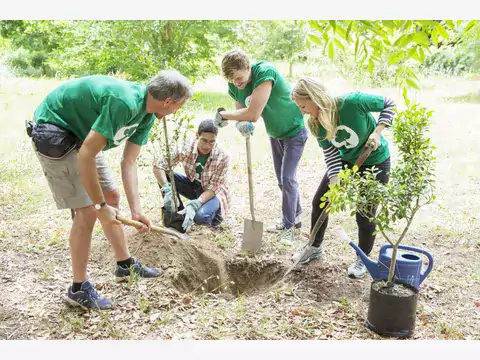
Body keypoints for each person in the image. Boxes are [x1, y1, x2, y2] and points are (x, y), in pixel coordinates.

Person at [29, 70, 193, 309]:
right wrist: (99, 207)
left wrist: (136, 211)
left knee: (111, 196)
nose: (176, 111)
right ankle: (78, 288)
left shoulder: (147, 114)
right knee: (87, 211)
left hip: (83, 135)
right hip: (55, 129)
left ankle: (124, 265)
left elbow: (129, 162)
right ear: (168, 101)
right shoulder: (124, 102)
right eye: (178, 106)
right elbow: (86, 154)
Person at [290, 76, 396, 278]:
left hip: (375, 161)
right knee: (320, 201)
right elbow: (331, 154)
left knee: (365, 214)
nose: (302, 112)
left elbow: (389, 103)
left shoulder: (352, 103)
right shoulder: (316, 124)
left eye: (303, 106)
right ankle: (314, 247)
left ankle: (363, 258)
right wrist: (334, 181)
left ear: (315, 98)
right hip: (346, 162)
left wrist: (377, 131)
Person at [215, 48, 307, 245]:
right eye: (231, 80)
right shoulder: (235, 86)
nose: (236, 83)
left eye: (239, 78)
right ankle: (296, 217)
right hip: (276, 134)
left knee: (288, 179)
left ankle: (288, 226)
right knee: (282, 181)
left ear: (248, 67)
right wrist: (242, 125)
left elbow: (253, 114)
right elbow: (242, 113)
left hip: (295, 130)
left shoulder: (265, 72)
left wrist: (225, 115)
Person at [153, 119, 230, 231]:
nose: (207, 146)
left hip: (213, 193)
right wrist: (166, 188)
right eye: (204, 140)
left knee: (199, 217)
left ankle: (213, 217)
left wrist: (196, 204)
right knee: (166, 175)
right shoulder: (185, 147)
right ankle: (179, 215)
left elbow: (214, 188)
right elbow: (158, 165)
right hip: (195, 186)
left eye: (211, 142)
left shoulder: (223, 157)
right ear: (196, 135)